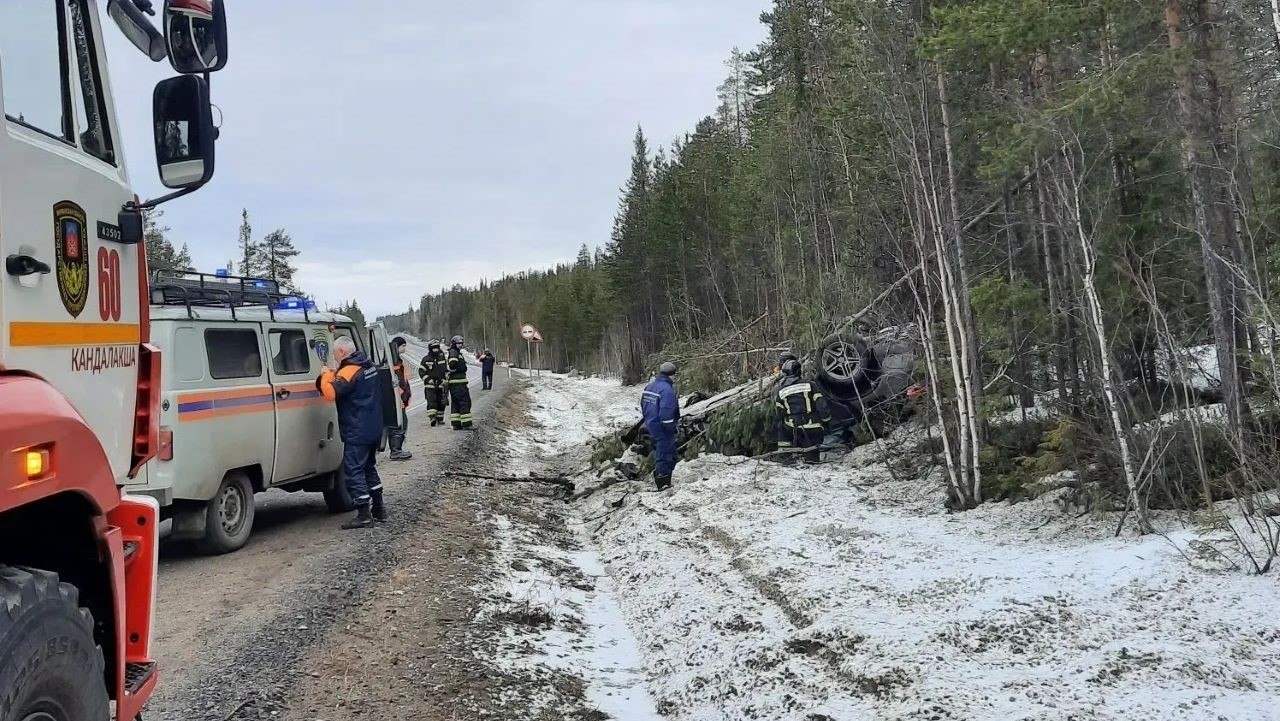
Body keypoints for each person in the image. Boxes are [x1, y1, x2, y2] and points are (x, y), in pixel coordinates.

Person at [318, 336, 387, 529]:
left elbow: (330, 393)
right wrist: (336, 374)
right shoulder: (368, 365)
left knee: (353, 470)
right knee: (369, 467)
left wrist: (325, 374)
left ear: (341, 352)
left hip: (357, 429)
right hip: (373, 427)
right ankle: (379, 509)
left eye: (335, 354)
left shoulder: (349, 371)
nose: (335, 357)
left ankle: (364, 515)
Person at [775, 359, 831, 464]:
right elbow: (822, 406)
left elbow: (779, 414)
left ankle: (785, 457)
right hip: (813, 427)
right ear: (798, 371)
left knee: (781, 426)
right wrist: (826, 422)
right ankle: (811, 459)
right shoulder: (810, 385)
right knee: (812, 456)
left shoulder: (780, 391)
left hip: (793, 429)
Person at [641, 362, 680, 491]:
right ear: (672, 375)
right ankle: (662, 481)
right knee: (664, 453)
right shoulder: (667, 390)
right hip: (661, 428)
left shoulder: (650, 386)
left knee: (663, 451)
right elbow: (666, 412)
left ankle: (665, 475)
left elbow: (643, 405)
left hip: (650, 424)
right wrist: (671, 428)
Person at [387, 337, 413, 461]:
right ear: (397, 347)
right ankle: (396, 451)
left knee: (401, 422)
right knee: (399, 423)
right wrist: (401, 396)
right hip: (397, 399)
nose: (404, 349)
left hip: (398, 399)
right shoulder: (394, 362)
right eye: (403, 346)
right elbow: (397, 382)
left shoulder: (396, 361)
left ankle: (397, 449)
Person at [418, 339, 448, 426]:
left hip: (441, 385)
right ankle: (432, 418)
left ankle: (440, 419)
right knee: (432, 402)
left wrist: (445, 380)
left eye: (437, 348)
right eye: (433, 348)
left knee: (441, 403)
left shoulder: (442, 358)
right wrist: (428, 380)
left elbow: (446, 370)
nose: (435, 350)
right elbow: (421, 371)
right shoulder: (426, 359)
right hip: (430, 386)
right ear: (430, 349)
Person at [446, 335, 473, 430]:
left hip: (455, 384)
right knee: (464, 402)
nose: (461, 345)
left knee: (456, 404)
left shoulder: (455, 352)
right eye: (458, 343)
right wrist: (457, 368)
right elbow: (452, 364)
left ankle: (456, 424)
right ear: (454, 344)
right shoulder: (454, 352)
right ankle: (467, 424)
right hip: (459, 384)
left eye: (461, 343)